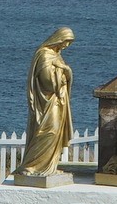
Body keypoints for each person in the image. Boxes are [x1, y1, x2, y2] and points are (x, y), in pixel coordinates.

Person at [16, 27, 74, 176]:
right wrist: (63, 72)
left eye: (69, 43)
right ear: (58, 38)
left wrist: (66, 71)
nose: (66, 46)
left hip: (58, 100)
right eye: (66, 41)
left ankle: (49, 166)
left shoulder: (56, 55)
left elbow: (63, 75)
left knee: (56, 132)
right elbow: (47, 81)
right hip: (47, 101)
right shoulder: (44, 55)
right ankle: (32, 165)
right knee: (48, 130)